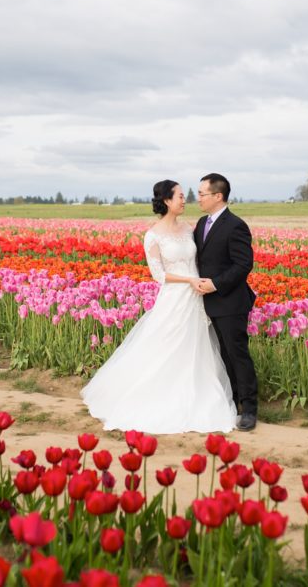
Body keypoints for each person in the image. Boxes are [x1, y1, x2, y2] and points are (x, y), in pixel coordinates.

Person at [81, 180, 236, 434]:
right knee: (168, 346)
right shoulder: (153, 235)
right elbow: (159, 274)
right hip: (175, 297)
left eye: (186, 196)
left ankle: (198, 394)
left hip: (197, 297)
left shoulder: (189, 228)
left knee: (196, 347)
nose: (185, 200)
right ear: (166, 201)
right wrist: (189, 280)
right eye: (180, 196)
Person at [194, 173, 259, 431]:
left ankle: (250, 409)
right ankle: (230, 403)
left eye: (202, 194)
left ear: (217, 196)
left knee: (237, 354)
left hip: (230, 302)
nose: (197, 198)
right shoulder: (201, 224)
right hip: (207, 303)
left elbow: (244, 264)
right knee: (222, 355)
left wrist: (216, 283)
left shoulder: (236, 226)